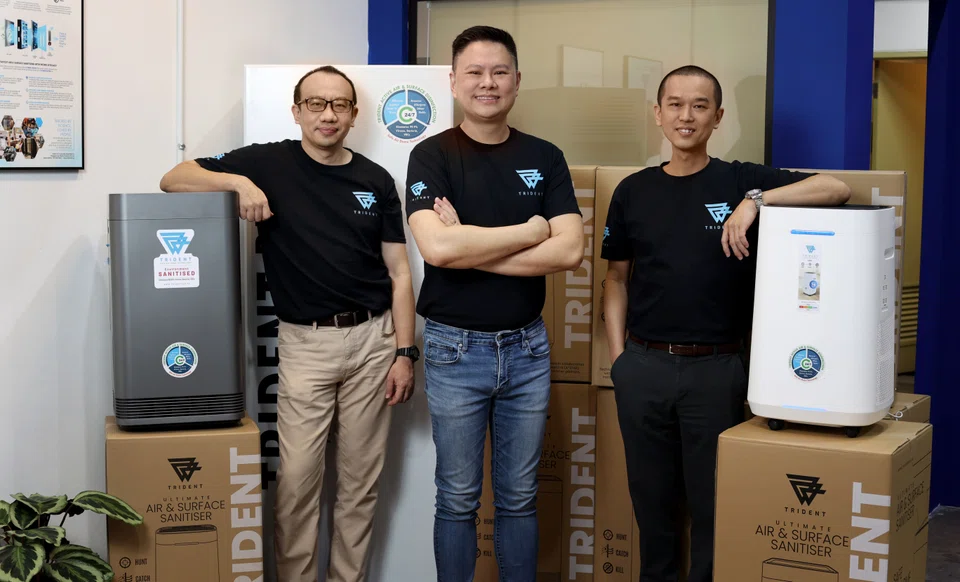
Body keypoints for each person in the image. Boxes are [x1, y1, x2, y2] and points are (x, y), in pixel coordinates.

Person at [159, 65, 418, 582]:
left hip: (375, 340)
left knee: (359, 485)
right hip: (306, 344)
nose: (328, 114)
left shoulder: (375, 179)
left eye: (340, 104)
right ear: (297, 111)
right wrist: (235, 182)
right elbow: (173, 179)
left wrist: (405, 353)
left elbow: (400, 272)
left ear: (353, 114)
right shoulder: (267, 163)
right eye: (317, 104)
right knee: (298, 482)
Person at [601, 65, 851, 582]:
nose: (685, 116)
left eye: (698, 106)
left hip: (715, 370)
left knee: (714, 507)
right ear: (657, 113)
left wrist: (756, 202)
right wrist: (618, 361)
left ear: (717, 117)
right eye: (674, 104)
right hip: (642, 367)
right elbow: (616, 279)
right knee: (652, 504)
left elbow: (836, 188)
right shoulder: (632, 190)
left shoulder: (739, 179)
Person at [404, 25, 584, 581]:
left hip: (527, 348)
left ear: (517, 80)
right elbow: (435, 246)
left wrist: (468, 246)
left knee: (519, 497)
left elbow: (570, 250)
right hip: (454, 350)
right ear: (453, 81)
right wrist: (531, 230)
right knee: (457, 498)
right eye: (475, 73)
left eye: (499, 71)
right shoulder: (430, 155)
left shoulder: (544, 157)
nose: (488, 83)